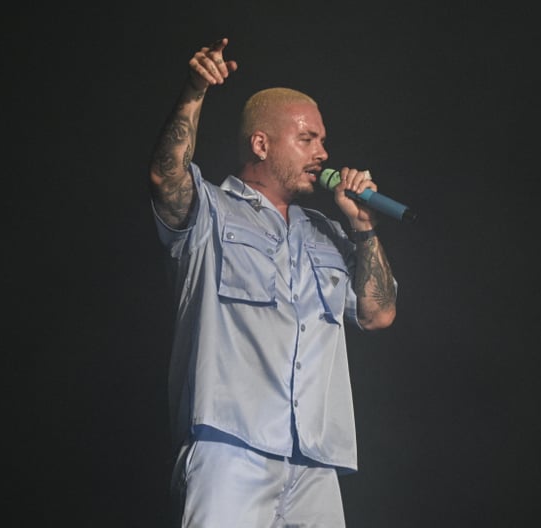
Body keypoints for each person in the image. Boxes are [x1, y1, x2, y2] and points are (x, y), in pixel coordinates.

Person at [149, 37, 398, 527]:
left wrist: (363, 227)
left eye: (323, 140)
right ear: (261, 144)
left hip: (316, 460)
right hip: (229, 448)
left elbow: (378, 313)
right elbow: (166, 179)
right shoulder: (211, 212)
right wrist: (196, 91)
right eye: (307, 139)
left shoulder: (326, 232)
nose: (323, 153)